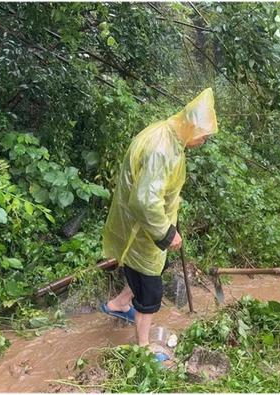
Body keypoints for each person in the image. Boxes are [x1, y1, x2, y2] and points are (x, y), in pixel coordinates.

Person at [100, 88, 218, 359]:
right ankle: (143, 349)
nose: (203, 142)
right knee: (150, 290)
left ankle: (118, 304)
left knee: (150, 268)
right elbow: (144, 202)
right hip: (144, 230)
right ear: (191, 127)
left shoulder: (169, 133)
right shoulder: (162, 150)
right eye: (204, 136)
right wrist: (167, 233)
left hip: (143, 228)